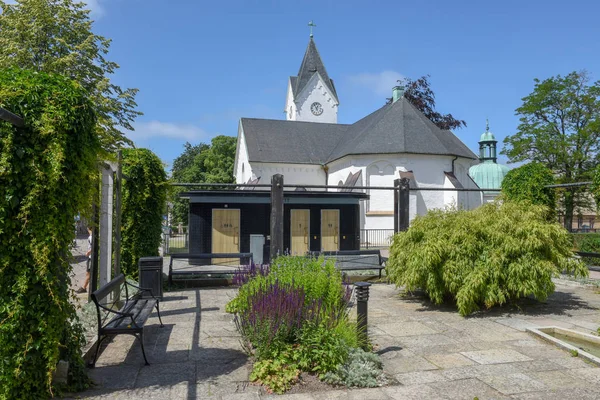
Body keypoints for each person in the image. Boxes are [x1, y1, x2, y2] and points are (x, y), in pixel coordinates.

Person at [76, 227, 93, 294]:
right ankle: (84, 287)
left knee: (88, 273)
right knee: (88, 273)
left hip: (91, 257)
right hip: (90, 257)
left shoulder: (91, 237)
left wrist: (88, 252)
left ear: (89, 229)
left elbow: (93, 246)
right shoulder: (91, 237)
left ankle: (84, 288)